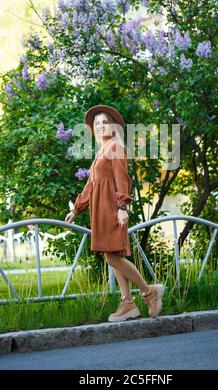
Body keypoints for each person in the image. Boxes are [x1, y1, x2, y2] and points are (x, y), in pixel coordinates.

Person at [65, 104, 165, 322]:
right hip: (100, 210)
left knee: (112, 257)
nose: (100, 126)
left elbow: (123, 179)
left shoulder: (116, 147)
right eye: (97, 123)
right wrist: (76, 209)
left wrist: (122, 207)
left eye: (105, 122)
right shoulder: (102, 150)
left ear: (113, 126)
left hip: (112, 209)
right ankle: (128, 303)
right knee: (114, 256)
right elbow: (92, 186)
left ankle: (150, 292)